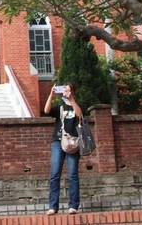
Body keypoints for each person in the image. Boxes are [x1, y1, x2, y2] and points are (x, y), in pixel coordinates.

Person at [44, 82, 83, 215]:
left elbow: (80, 116)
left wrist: (72, 100)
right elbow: (46, 110)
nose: (65, 92)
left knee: (72, 174)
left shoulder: (75, 105)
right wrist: (51, 94)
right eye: (64, 90)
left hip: (73, 142)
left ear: (73, 92)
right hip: (57, 141)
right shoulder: (59, 106)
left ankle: (73, 205)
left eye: (68, 90)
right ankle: (53, 206)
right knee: (55, 174)